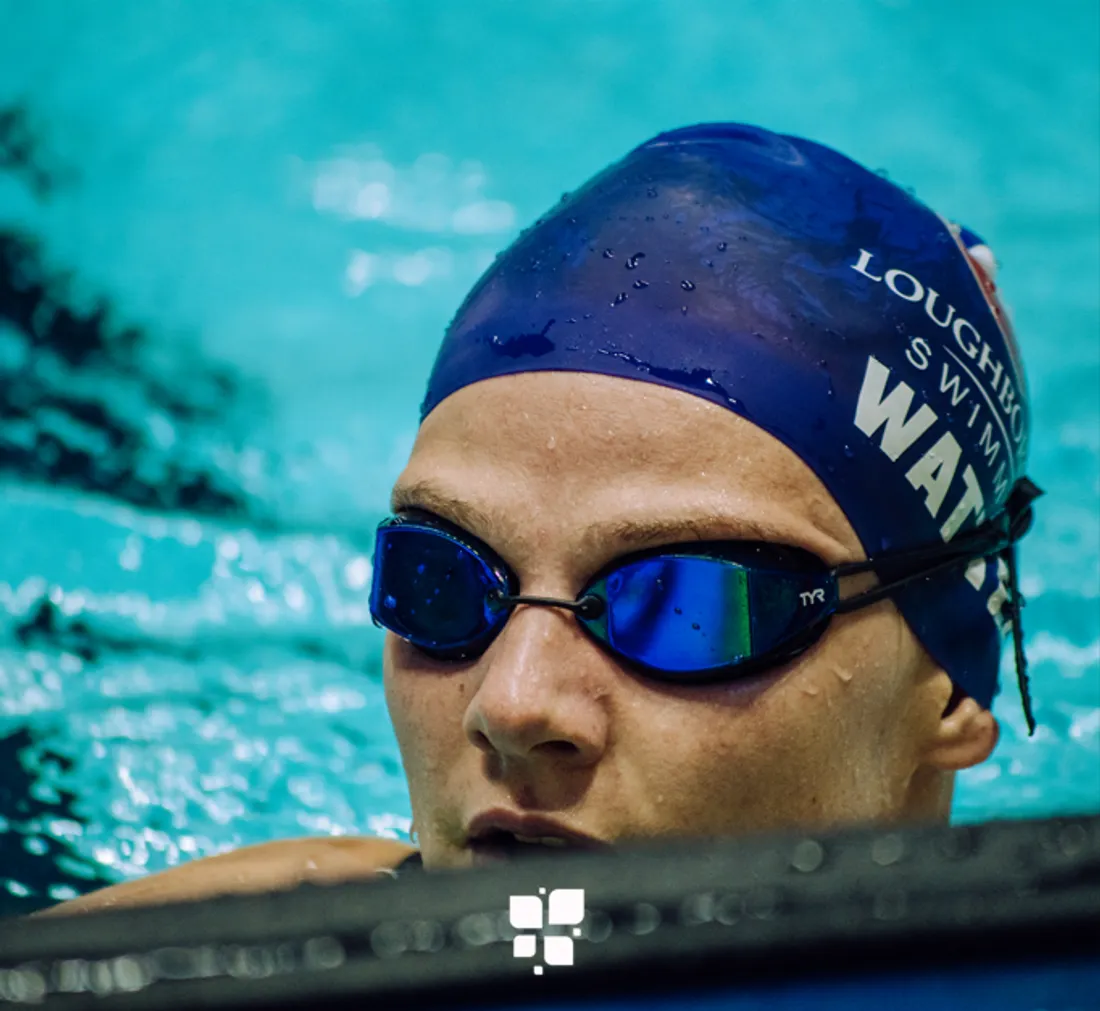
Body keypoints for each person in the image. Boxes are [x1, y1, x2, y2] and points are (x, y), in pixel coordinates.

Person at [39, 122, 1041, 916]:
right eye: (441, 583)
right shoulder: (229, 954)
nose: (511, 706)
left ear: (950, 685)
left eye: (688, 604)